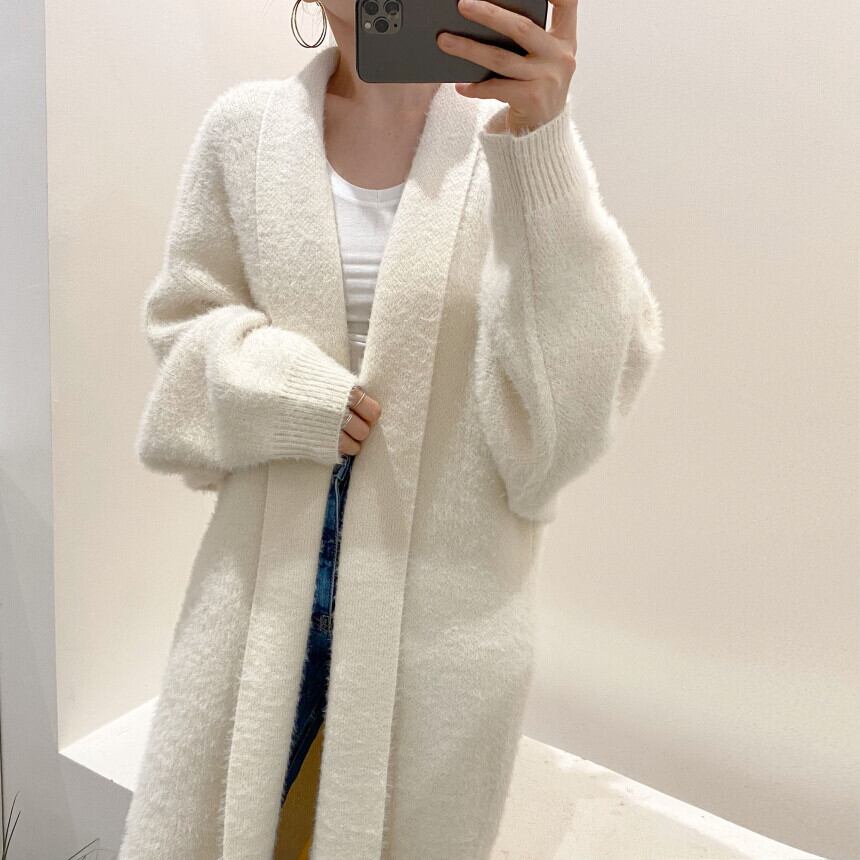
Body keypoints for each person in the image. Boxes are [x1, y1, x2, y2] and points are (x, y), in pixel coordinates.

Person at [119, 0, 665, 857]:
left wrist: (543, 143)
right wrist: (286, 393)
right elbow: (182, 329)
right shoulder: (244, 132)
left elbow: (565, 423)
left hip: (443, 639)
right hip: (257, 608)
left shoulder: (511, 142)